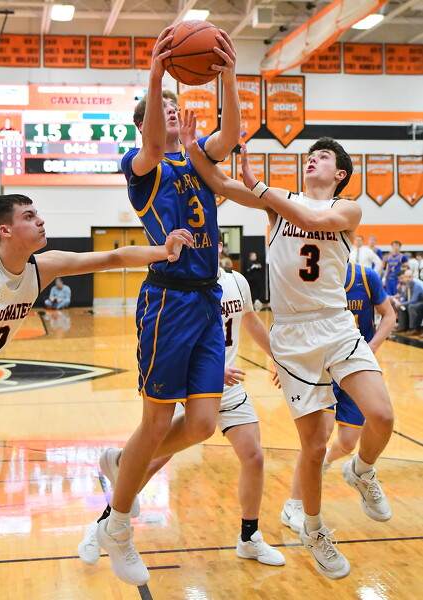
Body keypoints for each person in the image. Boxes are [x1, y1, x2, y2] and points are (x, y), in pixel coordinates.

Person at [180, 112, 394, 580]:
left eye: (323, 156)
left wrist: (258, 186)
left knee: (382, 416)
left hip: (336, 323)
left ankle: (361, 470)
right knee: (314, 446)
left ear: (340, 173)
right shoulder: (277, 203)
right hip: (293, 334)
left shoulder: (348, 208)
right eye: (310, 155)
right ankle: (314, 531)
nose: (312, 159)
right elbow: (218, 181)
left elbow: (308, 217)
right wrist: (191, 146)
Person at [96, 26, 240, 587]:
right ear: (145, 124)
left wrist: (229, 74)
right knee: (156, 423)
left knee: (202, 424)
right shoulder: (142, 166)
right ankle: (117, 526)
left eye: (179, 107)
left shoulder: (200, 160)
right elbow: (155, 146)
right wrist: (156, 75)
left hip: (207, 299)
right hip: (168, 301)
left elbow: (232, 132)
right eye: (164, 111)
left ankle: (123, 461)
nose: (174, 113)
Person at [0, 193, 193, 526]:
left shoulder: (43, 267)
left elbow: (114, 257)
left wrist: (164, 251)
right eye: (28, 216)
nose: (40, 220)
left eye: (37, 214)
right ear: (5, 230)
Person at [78, 233, 285, 569]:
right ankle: (103, 523)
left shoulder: (237, 282)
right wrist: (213, 369)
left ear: (220, 247)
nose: (208, 248)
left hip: (228, 384)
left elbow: (251, 321)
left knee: (254, 456)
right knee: (152, 462)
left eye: (214, 243)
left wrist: (278, 358)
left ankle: (249, 538)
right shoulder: (184, 287)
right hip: (194, 383)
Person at [281, 262, 396, 533]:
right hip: (322, 364)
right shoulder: (311, 276)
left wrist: (372, 347)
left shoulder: (365, 276)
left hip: (354, 365)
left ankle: (332, 465)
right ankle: (294, 504)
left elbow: (389, 315)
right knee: (319, 436)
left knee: (347, 442)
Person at [393, 269, 423, 335]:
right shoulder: (407, 286)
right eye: (406, 277)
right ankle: (402, 326)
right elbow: (404, 298)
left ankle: (413, 328)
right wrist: (400, 303)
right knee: (401, 307)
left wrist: (402, 303)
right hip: (413, 303)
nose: (408, 279)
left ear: (412, 277)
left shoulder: (417, 286)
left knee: (411, 307)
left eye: (409, 277)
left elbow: (414, 300)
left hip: (420, 302)